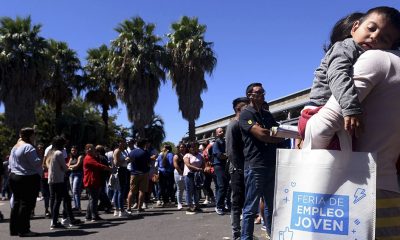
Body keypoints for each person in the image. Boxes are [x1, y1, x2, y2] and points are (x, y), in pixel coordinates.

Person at [304, 49, 400, 239]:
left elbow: (325, 125)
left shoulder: (377, 59)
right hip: (389, 188)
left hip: (353, 190)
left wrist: (306, 134)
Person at [299, 6, 400, 145]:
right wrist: (351, 107)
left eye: (384, 38)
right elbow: (337, 74)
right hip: (318, 110)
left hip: (335, 114)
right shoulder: (345, 47)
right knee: (334, 162)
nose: (375, 36)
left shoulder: (372, 57)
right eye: (371, 28)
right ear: (355, 28)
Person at [239, 83, 283, 239]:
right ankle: (246, 237)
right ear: (250, 95)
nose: (263, 94)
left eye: (263, 91)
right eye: (259, 92)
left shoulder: (267, 114)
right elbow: (262, 134)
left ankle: (273, 235)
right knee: (251, 207)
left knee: (271, 206)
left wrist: (270, 133)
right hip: (255, 166)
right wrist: (270, 134)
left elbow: (281, 134)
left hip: (270, 165)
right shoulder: (246, 114)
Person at [8, 127, 42, 237]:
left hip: (14, 176)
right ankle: (24, 230)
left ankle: (14, 229)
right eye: (34, 135)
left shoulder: (15, 146)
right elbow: (36, 163)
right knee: (26, 205)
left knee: (17, 203)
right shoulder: (29, 147)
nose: (35, 137)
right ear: (30, 136)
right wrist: (39, 154)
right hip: (26, 178)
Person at [225, 97, 249, 240]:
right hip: (237, 170)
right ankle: (236, 233)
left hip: (247, 168)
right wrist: (240, 169)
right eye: (246, 107)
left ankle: (245, 233)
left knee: (247, 202)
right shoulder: (233, 125)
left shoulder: (247, 123)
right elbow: (231, 151)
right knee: (237, 202)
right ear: (238, 109)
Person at [83, 144, 111, 222]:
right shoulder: (88, 158)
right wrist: (108, 168)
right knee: (93, 199)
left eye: (92, 149)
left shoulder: (91, 157)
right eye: (89, 149)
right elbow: (98, 165)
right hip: (91, 181)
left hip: (92, 181)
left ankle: (88, 216)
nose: (92, 150)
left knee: (91, 199)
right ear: (86, 150)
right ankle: (94, 216)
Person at [128, 138, 151, 213]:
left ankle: (129, 207)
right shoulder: (146, 152)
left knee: (131, 191)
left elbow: (129, 160)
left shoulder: (132, 152)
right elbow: (148, 163)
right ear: (144, 144)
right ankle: (139, 207)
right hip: (144, 173)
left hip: (134, 173)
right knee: (142, 191)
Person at [183, 142, 204, 215]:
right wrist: (198, 168)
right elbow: (188, 165)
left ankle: (196, 205)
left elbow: (203, 163)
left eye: (196, 146)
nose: (195, 148)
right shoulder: (187, 155)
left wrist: (202, 169)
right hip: (189, 174)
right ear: (189, 148)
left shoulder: (199, 155)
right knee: (189, 190)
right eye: (193, 147)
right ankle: (190, 206)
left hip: (197, 174)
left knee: (196, 190)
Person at [212, 127, 229, 215]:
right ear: (216, 134)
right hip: (218, 166)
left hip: (224, 165)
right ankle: (218, 206)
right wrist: (228, 155)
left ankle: (222, 205)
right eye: (220, 131)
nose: (222, 132)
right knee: (221, 186)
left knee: (224, 186)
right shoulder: (216, 143)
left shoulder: (225, 142)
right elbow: (219, 155)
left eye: (222, 131)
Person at [67, 146, 83, 212]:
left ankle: (78, 207)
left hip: (78, 174)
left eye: (74, 150)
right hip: (71, 174)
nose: (73, 151)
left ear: (77, 150)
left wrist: (70, 167)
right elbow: (68, 165)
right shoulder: (71, 157)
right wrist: (70, 167)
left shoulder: (80, 156)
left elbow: (77, 165)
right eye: (72, 150)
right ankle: (75, 205)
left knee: (75, 190)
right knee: (73, 191)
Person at [173, 143, 187, 210]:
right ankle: (179, 203)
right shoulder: (176, 155)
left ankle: (189, 202)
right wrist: (181, 172)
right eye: (181, 147)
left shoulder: (187, 154)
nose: (182, 148)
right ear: (179, 148)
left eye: (183, 147)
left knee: (187, 188)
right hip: (179, 173)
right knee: (180, 189)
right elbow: (175, 165)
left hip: (186, 173)